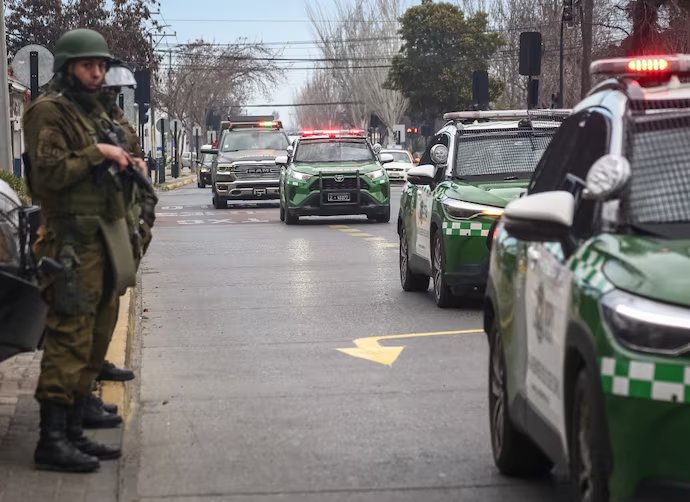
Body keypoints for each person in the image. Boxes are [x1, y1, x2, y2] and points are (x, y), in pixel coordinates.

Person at [23, 28, 137, 473]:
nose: (96, 72)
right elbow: (48, 177)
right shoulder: (49, 112)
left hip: (100, 237)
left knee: (92, 334)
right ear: (68, 67)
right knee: (69, 337)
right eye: (88, 65)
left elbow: (119, 146)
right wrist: (98, 153)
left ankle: (73, 432)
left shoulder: (91, 110)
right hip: (69, 241)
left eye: (101, 65)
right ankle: (52, 440)